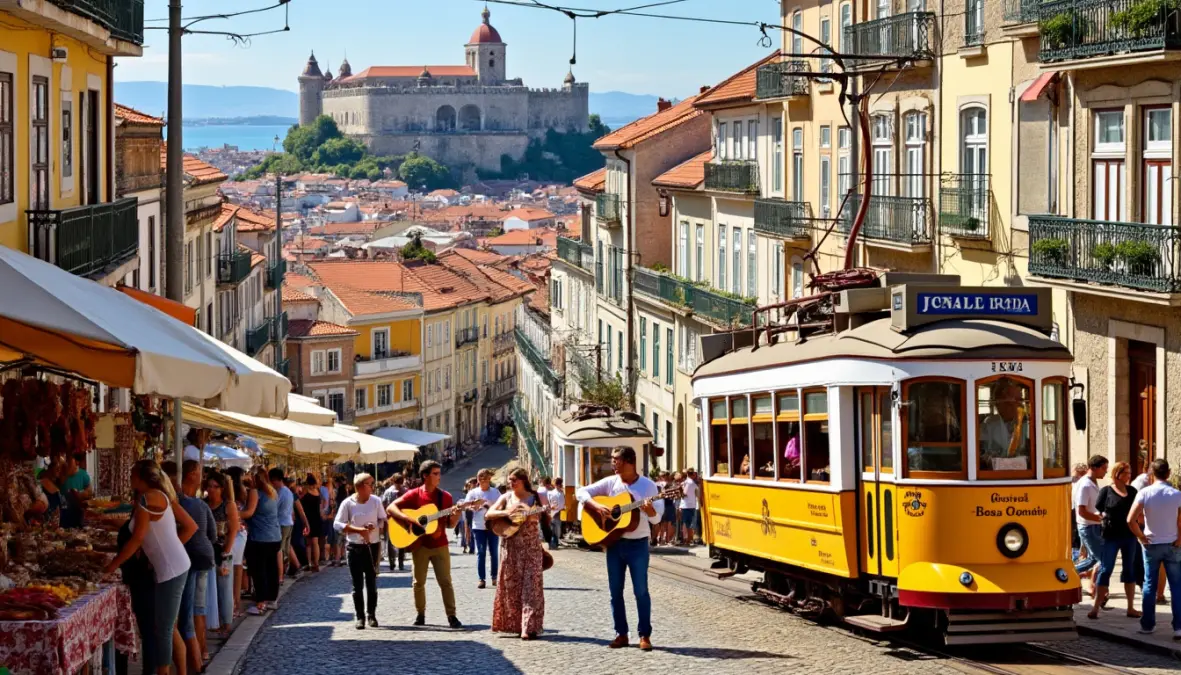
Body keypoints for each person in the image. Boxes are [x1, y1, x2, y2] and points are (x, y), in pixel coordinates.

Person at [103, 460, 198, 675]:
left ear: (140, 478)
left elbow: (137, 539)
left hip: (172, 570)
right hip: (174, 566)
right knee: (165, 628)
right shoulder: (160, 495)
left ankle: (163, 672)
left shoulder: (148, 499)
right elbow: (188, 527)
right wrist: (163, 549)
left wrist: (112, 566)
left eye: (132, 475)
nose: (129, 479)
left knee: (163, 629)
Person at [576, 447, 663, 651]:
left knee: (641, 591)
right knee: (615, 592)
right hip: (614, 544)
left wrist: (649, 509)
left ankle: (644, 635)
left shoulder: (648, 487)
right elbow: (581, 492)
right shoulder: (611, 483)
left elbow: (657, 518)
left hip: (638, 544)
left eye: (616, 460)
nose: (612, 463)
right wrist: (596, 506)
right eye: (613, 459)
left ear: (629, 462)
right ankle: (621, 634)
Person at [388, 460, 463, 628]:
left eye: (439, 473)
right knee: (418, 582)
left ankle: (452, 616)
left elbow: (450, 524)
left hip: (440, 544)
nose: (439, 477)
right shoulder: (414, 494)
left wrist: (457, 514)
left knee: (445, 581)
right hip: (419, 545)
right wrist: (409, 520)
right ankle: (420, 614)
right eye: (435, 474)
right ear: (425, 476)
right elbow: (391, 508)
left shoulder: (446, 497)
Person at [486, 468, 547, 639]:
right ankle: (513, 625)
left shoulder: (536, 498)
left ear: (524, 481)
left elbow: (543, 518)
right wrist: (507, 512)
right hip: (510, 547)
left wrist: (534, 515)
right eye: (510, 480)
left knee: (531, 587)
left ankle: (528, 627)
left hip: (531, 548)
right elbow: (490, 513)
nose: (511, 483)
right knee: (511, 587)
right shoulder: (506, 497)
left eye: (515, 480)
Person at [1127, 458, 1181, 638]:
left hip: (1151, 544)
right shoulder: (1176, 494)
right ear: (1168, 473)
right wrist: (1180, 539)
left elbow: (1130, 520)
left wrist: (1141, 537)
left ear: (1152, 473)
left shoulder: (1144, 493)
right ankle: (1178, 627)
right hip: (1172, 544)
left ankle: (1147, 625)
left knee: (1149, 585)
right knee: (1176, 586)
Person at [1089, 461, 1141, 619]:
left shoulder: (1132, 491)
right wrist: (1103, 519)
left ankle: (1131, 607)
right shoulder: (1106, 491)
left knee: (1129, 570)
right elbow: (1098, 510)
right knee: (1106, 569)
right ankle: (1095, 608)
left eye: (1130, 472)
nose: (1129, 475)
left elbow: (1138, 511)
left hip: (1129, 536)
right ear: (1117, 474)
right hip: (1111, 536)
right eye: (1126, 472)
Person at [334, 473, 387, 629]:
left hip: (372, 546)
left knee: (371, 582)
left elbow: (382, 519)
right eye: (370, 484)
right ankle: (360, 617)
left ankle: (371, 615)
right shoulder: (348, 503)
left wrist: (376, 528)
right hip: (354, 547)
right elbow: (337, 524)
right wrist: (358, 530)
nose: (373, 487)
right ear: (361, 487)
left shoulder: (376, 501)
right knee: (357, 585)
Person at [239, 465, 282, 615]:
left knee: (259, 570)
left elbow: (249, 513)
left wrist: (232, 512)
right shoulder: (272, 492)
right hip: (274, 536)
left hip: (260, 537)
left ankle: (260, 603)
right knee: (271, 569)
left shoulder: (255, 492)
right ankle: (271, 600)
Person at [205, 471, 239, 636]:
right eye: (210, 486)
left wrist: (226, 552)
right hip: (207, 551)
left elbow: (233, 530)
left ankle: (226, 623)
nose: (212, 490)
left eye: (215, 487)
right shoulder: (204, 504)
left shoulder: (228, 505)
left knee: (224, 588)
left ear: (222, 489)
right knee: (210, 588)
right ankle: (214, 621)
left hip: (222, 550)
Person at [1073, 455, 1108, 596]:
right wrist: (1100, 519)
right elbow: (1081, 511)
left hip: (1092, 526)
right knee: (1102, 559)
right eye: (1103, 468)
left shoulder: (1091, 482)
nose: (1105, 472)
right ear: (1094, 468)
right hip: (1089, 527)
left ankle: (1073, 573)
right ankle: (1098, 589)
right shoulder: (1085, 485)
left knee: (1094, 558)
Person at [978, 379, 1030, 468]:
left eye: (1021, 401)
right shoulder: (988, 425)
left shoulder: (1026, 423)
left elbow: (1030, 453)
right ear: (1000, 404)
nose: (1020, 405)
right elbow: (981, 455)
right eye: (1015, 401)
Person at [468, 469, 503, 589]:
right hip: (478, 526)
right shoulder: (473, 493)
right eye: (481, 479)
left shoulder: (495, 492)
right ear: (478, 480)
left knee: (494, 552)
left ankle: (494, 577)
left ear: (489, 479)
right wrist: (474, 506)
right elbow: (467, 506)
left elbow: (501, 506)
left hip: (492, 526)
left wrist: (490, 507)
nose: (483, 481)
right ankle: (481, 579)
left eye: (485, 479)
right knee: (481, 552)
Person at [271, 468, 306, 583]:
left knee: (279, 550)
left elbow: (273, 507)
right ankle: (291, 568)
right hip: (288, 522)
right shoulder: (287, 491)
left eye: (272, 481)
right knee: (284, 549)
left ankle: (280, 577)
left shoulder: (281, 492)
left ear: (276, 480)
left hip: (282, 523)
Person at [225, 467, 249, 618]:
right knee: (237, 567)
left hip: (234, 531)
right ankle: (236, 603)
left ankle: (232, 605)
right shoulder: (243, 491)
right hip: (241, 532)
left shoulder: (229, 494)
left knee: (230, 568)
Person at [381, 473, 408, 571]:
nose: (399, 484)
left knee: (392, 541)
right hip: (400, 519)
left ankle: (393, 562)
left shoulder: (388, 491)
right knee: (399, 541)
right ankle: (398, 562)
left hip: (392, 519)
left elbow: (383, 505)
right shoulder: (405, 491)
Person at [59, 453, 92, 529]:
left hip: (78, 512)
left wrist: (80, 494)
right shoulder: (60, 475)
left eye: (69, 461)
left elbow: (90, 492)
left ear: (76, 462)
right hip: (63, 512)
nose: (66, 463)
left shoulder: (83, 474)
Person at [301, 474, 324, 572]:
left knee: (308, 543)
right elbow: (320, 505)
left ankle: (309, 563)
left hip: (308, 518)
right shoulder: (317, 491)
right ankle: (316, 564)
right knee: (315, 542)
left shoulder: (306, 491)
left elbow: (300, 500)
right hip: (317, 518)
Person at [680, 468, 700, 547]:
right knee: (688, 523)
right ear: (692, 474)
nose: (695, 475)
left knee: (687, 523)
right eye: (694, 474)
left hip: (687, 505)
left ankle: (688, 539)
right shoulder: (690, 483)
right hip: (689, 505)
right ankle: (688, 539)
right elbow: (685, 494)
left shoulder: (686, 482)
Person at [548, 477, 566, 550]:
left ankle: (554, 543)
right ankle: (553, 543)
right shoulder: (552, 493)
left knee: (556, 529)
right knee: (555, 528)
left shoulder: (561, 493)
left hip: (558, 512)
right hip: (555, 512)